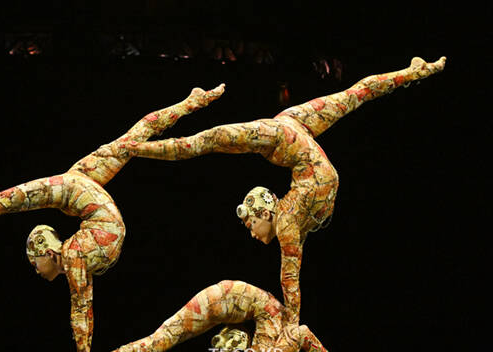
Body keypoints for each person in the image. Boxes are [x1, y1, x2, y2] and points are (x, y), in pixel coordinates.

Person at [0, 84, 226, 352]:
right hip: (83, 189)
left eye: (34, 262)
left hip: (73, 191)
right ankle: (191, 101)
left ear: (48, 252)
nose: (35, 270)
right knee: (133, 138)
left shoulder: (75, 253)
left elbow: (82, 303)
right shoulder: (79, 246)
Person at [106, 56, 446, 325]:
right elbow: (291, 278)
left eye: (251, 225)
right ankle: (412, 72)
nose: (253, 235)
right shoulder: (291, 214)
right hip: (294, 128)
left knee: (208, 141)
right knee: (354, 95)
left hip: (285, 139)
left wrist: (136, 150)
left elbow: (289, 279)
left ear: (264, 212)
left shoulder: (287, 218)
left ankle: (413, 71)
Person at [58, 279, 365, 352]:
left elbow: (298, 329)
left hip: (236, 302)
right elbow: (303, 331)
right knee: (155, 344)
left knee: (156, 343)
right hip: (225, 300)